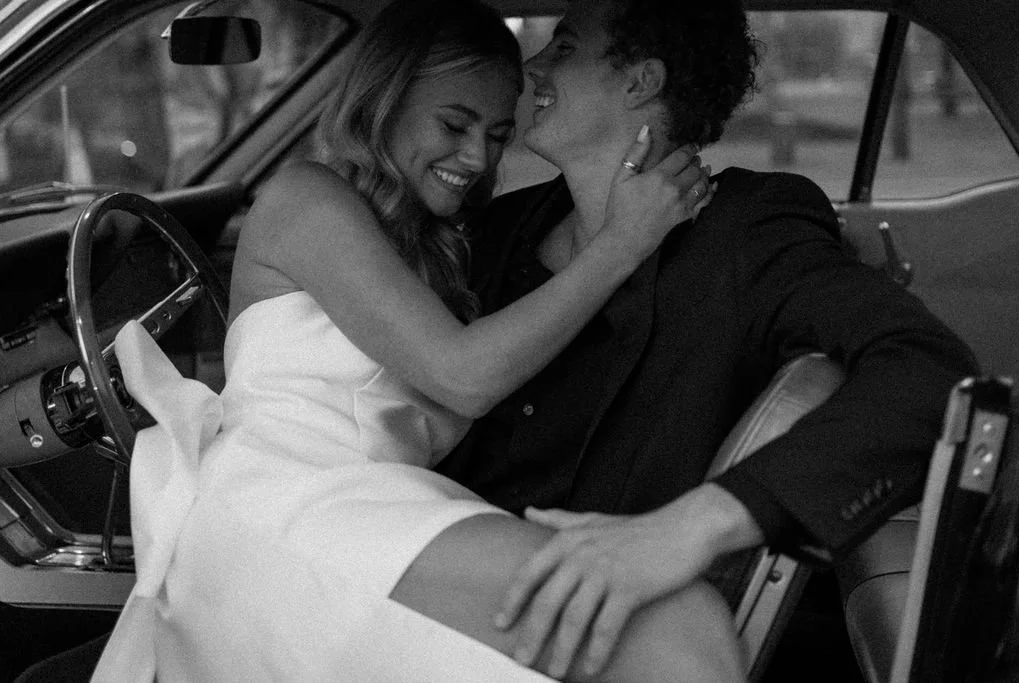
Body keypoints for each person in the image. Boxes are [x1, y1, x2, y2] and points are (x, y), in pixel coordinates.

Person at [90, 0, 741, 681]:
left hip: (372, 503)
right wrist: (622, 245)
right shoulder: (305, 198)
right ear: (384, 99)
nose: (476, 156)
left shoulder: (443, 239)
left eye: (494, 135)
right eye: (454, 124)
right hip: (281, 507)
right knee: (671, 623)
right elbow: (465, 375)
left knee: (670, 615)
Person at [430, 0, 980, 675]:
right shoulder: (492, 228)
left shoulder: (746, 232)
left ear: (641, 82)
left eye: (563, 47)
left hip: (594, 633)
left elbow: (931, 372)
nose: (533, 65)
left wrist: (694, 526)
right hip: (438, 568)